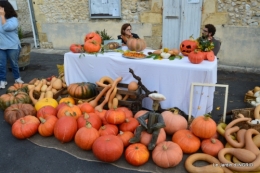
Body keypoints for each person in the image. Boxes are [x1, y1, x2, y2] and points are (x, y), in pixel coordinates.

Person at [0, 1, 24, 89]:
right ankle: (2, 80)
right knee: (1, 64)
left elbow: (6, 28)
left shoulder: (13, 19)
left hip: (12, 46)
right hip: (1, 46)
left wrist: (2, 16)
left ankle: (17, 78)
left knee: (14, 64)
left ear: (4, 8)